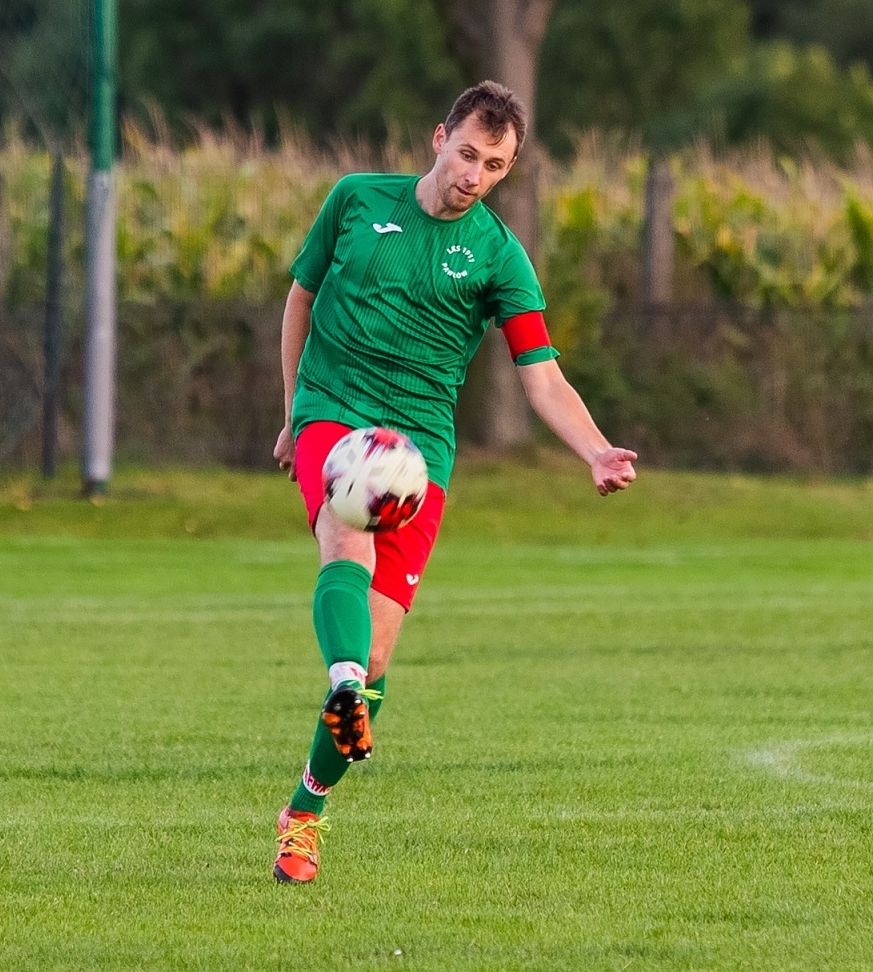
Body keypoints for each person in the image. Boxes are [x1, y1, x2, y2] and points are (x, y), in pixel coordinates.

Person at [270, 81, 638, 884]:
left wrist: (595, 449)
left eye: (494, 164)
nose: (474, 173)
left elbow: (542, 376)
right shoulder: (356, 201)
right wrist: (296, 408)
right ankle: (341, 685)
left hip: (422, 455)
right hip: (337, 416)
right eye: (467, 152)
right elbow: (299, 298)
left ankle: (305, 808)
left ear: (507, 171)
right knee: (345, 535)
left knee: (378, 661)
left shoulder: (500, 257)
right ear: (440, 138)